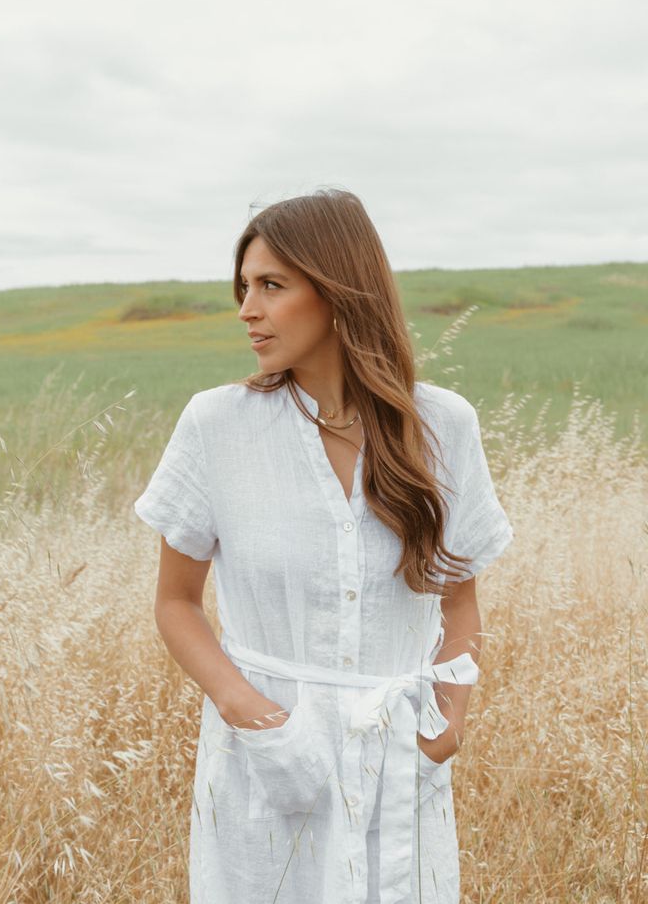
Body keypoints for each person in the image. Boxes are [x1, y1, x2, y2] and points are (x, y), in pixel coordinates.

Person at [134, 188, 514, 904]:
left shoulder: (442, 427)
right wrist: (258, 719)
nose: (247, 308)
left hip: (401, 760)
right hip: (264, 771)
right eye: (243, 287)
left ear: (339, 291)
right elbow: (176, 603)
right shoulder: (217, 425)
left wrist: (448, 722)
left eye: (271, 286)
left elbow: (459, 601)